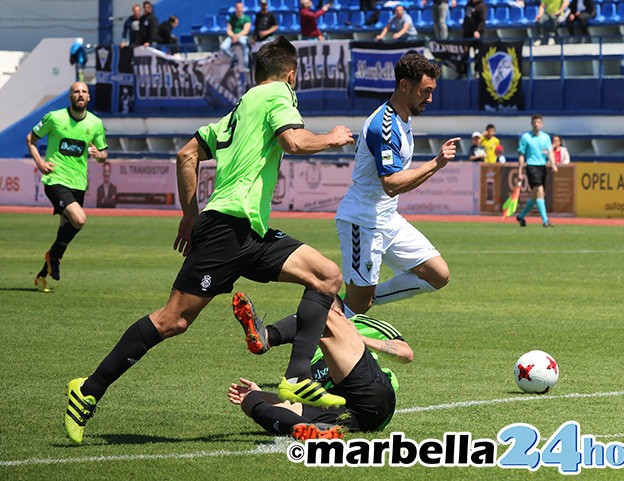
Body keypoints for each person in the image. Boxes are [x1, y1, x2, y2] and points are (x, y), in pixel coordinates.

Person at [62, 37, 356, 445]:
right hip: (227, 233)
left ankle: (296, 378)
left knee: (326, 276)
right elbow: (294, 141)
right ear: (291, 74)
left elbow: (186, 155)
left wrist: (189, 215)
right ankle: (88, 389)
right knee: (173, 320)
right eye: (295, 78)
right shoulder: (278, 95)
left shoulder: (241, 107)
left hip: (247, 231)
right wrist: (333, 137)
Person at [335, 53, 457, 317]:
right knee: (355, 307)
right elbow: (390, 184)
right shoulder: (384, 126)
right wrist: (436, 163)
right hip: (363, 221)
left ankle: (364, 298)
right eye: (425, 91)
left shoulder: (404, 119)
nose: (430, 99)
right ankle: (307, 346)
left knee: (438, 274)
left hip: (388, 218)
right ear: (404, 86)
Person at [228, 292, 412, 439]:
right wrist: (261, 393)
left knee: (322, 310)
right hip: (346, 414)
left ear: (341, 313)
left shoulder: (359, 323)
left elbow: (406, 354)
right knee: (250, 399)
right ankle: (306, 429)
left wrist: (357, 337)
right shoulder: (306, 345)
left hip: (371, 398)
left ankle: (267, 336)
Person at [26, 82, 108, 293]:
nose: (80, 94)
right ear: (70, 96)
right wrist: (40, 163)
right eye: (76, 91)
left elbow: (103, 154)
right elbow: (31, 138)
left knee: (64, 232)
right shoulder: (55, 117)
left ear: (89, 97)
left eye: (83, 91)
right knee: (79, 219)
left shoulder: (95, 123)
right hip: (55, 180)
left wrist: (99, 155)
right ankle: (53, 256)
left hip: (79, 183)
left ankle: (42, 275)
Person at [515, 114, 558, 228]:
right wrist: (520, 172)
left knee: (536, 196)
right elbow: (521, 155)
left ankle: (521, 216)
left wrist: (553, 164)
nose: (536, 124)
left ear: (542, 124)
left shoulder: (546, 137)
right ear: (531, 123)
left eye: (538, 122)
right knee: (539, 191)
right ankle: (545, 221)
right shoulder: (525, 137)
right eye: (534, 122)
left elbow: (550, 152)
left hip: (542, 167)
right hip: (531, 166)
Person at [221, 2, 252, 69]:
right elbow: (228, 29)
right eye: (238, 8)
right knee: (223, 47)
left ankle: (246, 64)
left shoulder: (246, 18)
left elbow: (246, 31)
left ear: (242, 8)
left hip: (242, 36)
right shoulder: (232, 18)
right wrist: (233, 36)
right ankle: (233, 59)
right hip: (232, 36)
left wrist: (237, 36)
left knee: (244, 43)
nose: (239, 9)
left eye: (240, 7)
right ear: (235, 8)